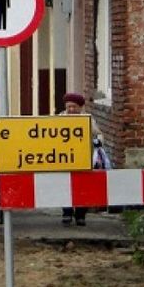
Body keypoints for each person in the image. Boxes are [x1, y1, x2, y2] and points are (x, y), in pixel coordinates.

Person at [59, 91, 101, 226]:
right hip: (65, 159)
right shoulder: (59, 119)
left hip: (83, 159)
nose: (71, 109)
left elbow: (98, 134)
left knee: (83, 187)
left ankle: (81, 215)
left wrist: (97, 142)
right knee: (65, 186)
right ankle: (67, 212)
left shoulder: (87, 119)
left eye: (74, 107)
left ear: (80, 107)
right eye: (69, 107)